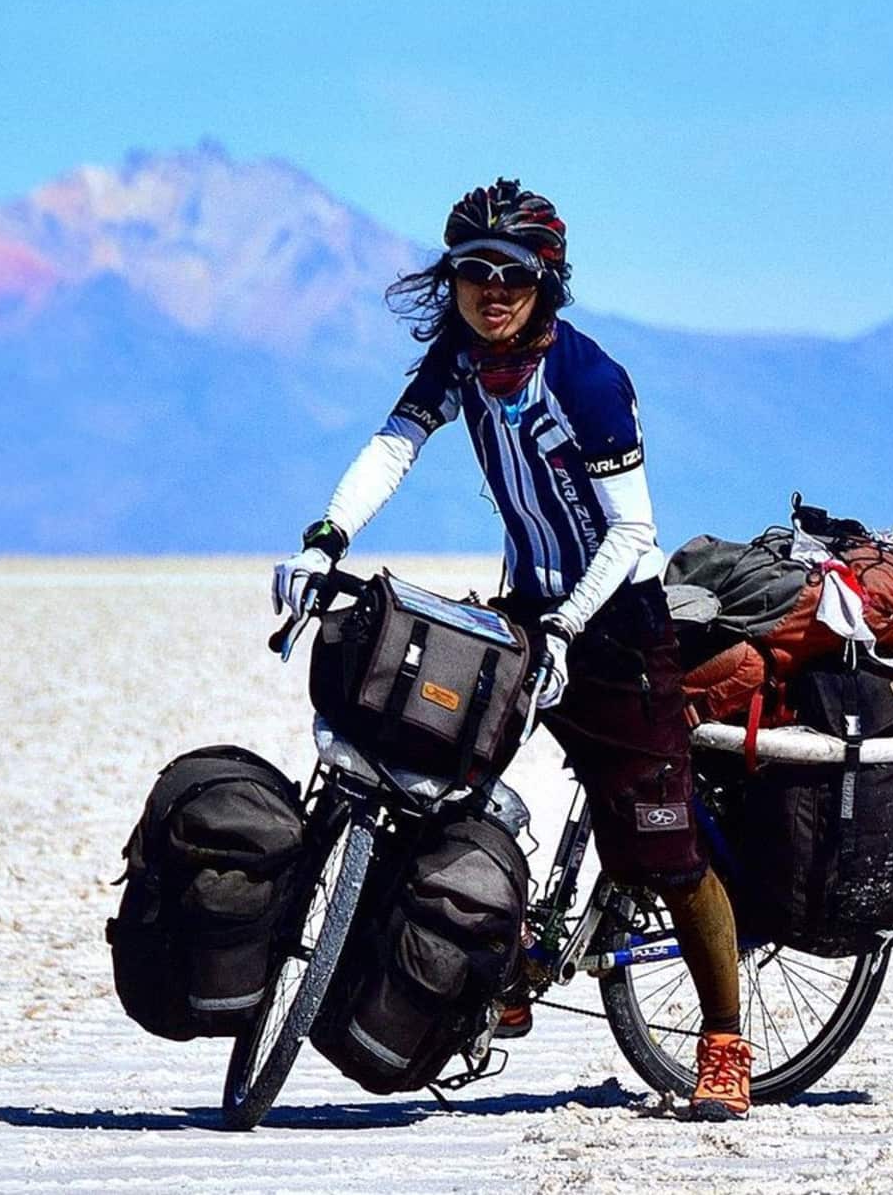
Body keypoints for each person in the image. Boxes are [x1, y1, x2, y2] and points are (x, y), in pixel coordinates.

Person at [272, 179, 751, 1122]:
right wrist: (325, 535)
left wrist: (571, 626)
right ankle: (503, 957)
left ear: (546, 281)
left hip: (615, 627)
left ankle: (726, 1039)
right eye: (472, 273)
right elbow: (396, 443)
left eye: (513, 275)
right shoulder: (462, 357)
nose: (492, 290)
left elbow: (633, 534)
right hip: (530, 613)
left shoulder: (588, 380)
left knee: (664, 845)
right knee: (436, 761)